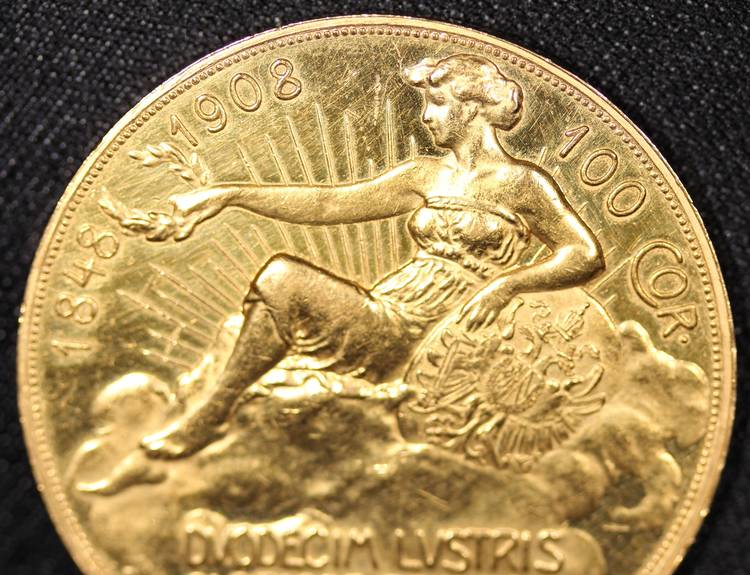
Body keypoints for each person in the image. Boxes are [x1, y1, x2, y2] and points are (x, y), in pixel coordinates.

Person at [141, 53, 604, 458]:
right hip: (389, 311)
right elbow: (328, 204)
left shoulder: (523, 183)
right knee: (281, 279)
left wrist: (507, 285)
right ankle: (221, 407)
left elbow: (584, 253)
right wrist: (230, 194)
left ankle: (213, 413)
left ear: (471, 108)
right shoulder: (424, 175)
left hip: (434, 333)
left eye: (438, 103)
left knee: (282, 276)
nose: (426, 116)